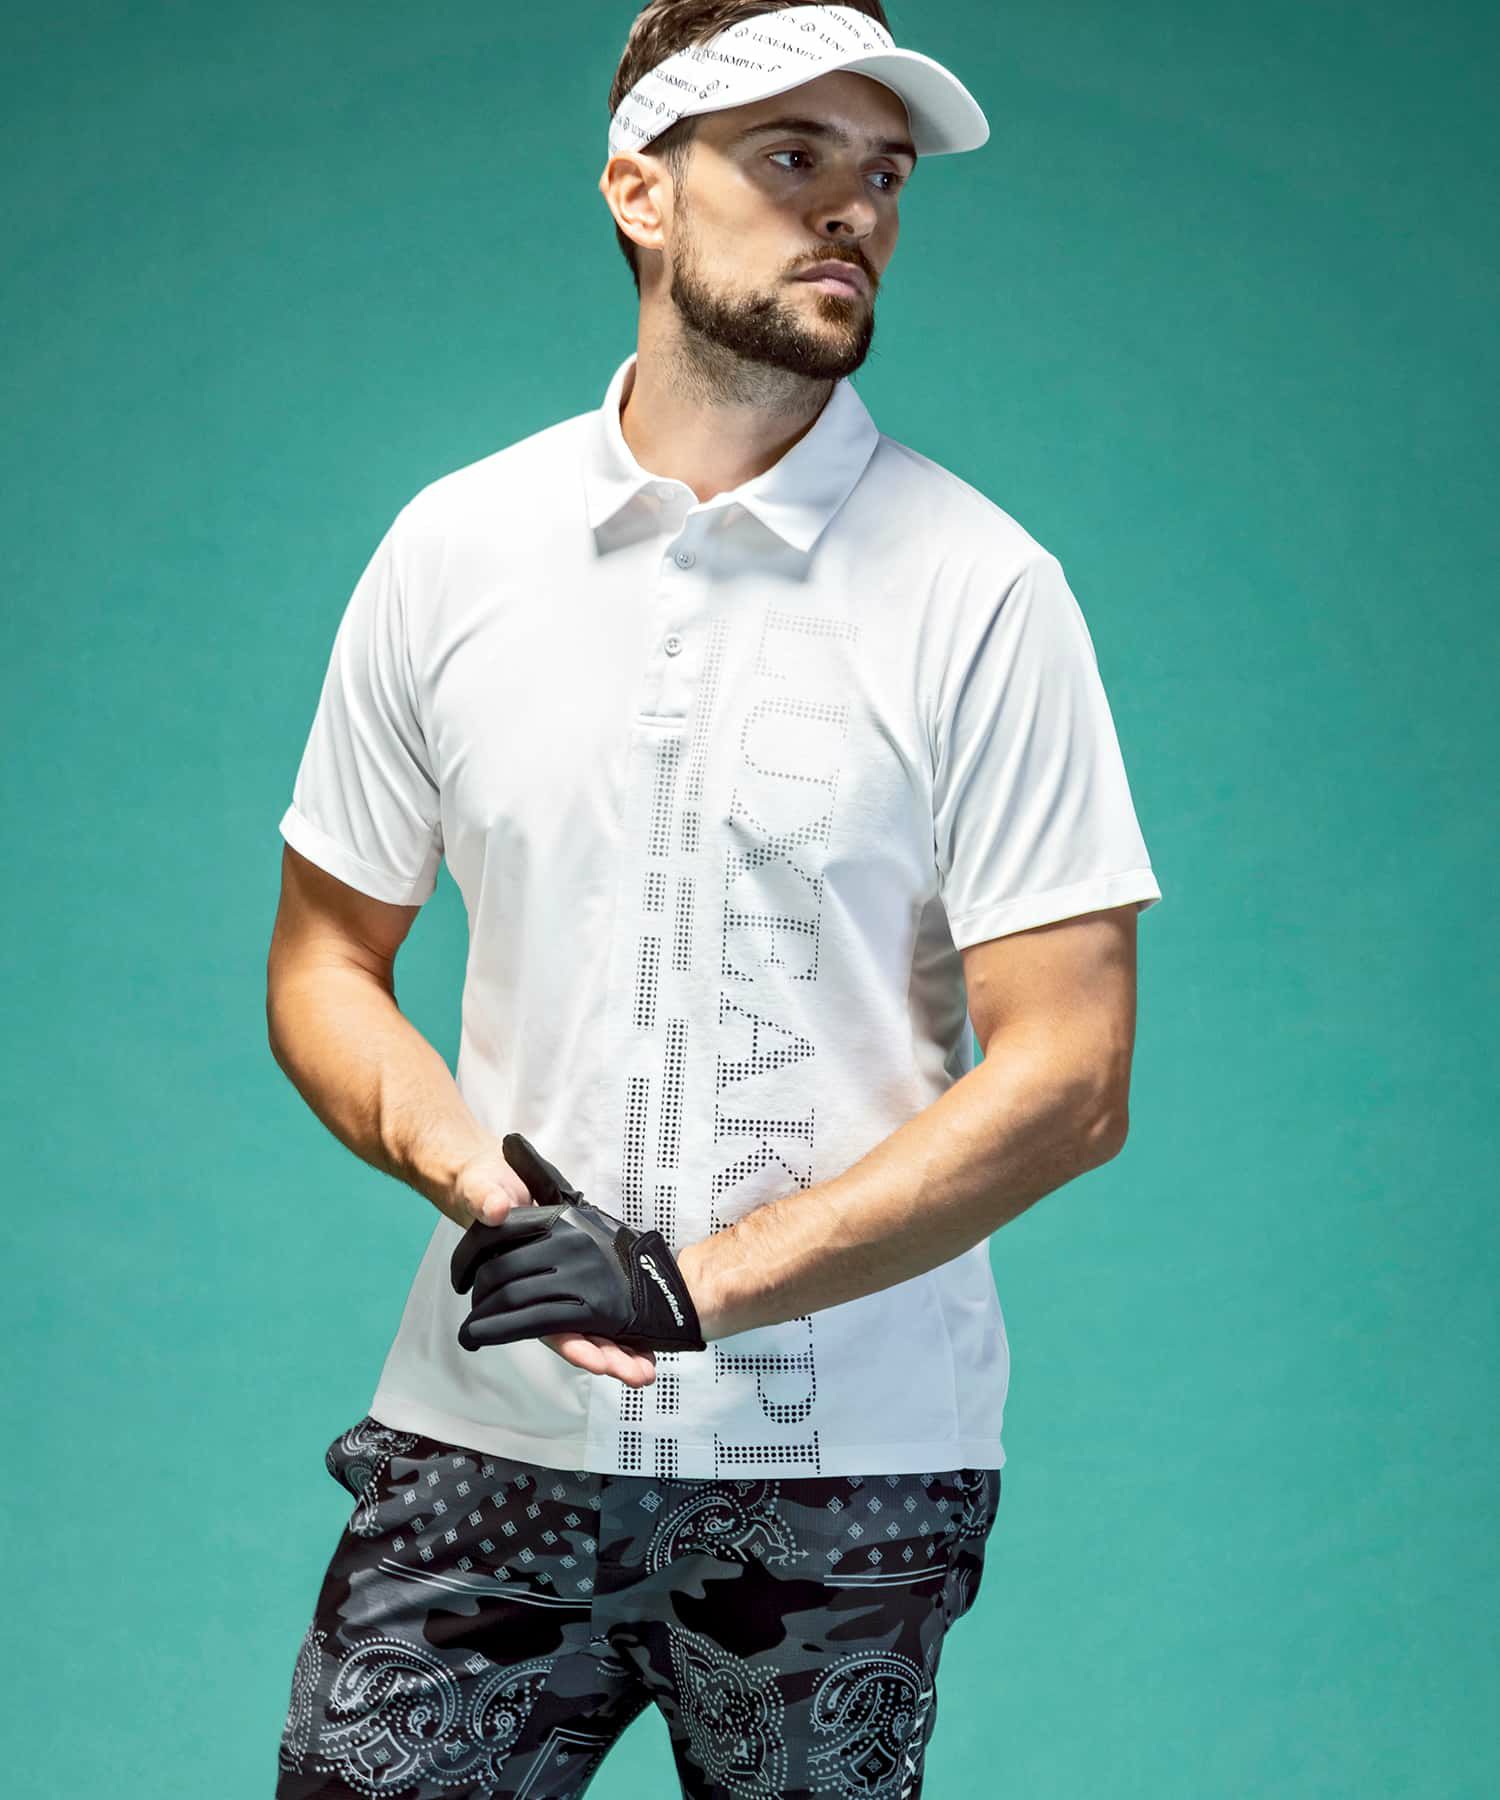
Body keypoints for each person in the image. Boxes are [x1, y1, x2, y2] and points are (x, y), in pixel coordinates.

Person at [268, 4, 1163, 1795]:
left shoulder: (985, 591)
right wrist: (482, 1189)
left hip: (845, 1477)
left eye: (883, 174)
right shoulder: (455, 550)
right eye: (791, 157)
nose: (853, 210)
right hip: (487, 1438)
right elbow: (325, 961)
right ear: (641, 191)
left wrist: (693, 1285)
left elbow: (1071, 1077)